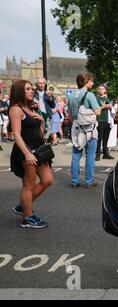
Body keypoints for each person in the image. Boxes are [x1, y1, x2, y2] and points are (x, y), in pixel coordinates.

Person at [8, 80, 53, 228]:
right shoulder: (16, 109)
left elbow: (40, 134)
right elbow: (16, 134)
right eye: (27, 89)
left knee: (47, 180)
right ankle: (28, 218)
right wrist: (27, 153)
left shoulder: (31, 108)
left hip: (39, 150)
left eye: (31, 88)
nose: (31, 91)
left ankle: (23, 205)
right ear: (19, 91)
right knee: (29, 185)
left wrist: (41, 122)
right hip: (26, 150)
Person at [68, 73, 102, 189]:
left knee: (76, 155)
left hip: (76, 127)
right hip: (89, 129)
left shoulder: (71, 95)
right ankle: (89, 181)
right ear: (86, 81)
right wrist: (103, 107)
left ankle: (74, 181)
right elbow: (97, 112)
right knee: (90, 156)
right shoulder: (89, 95)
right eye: (91, 81)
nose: (93, 83)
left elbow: (70, 115)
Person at [95, 84, 114, 161]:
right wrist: (105, 106)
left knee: (106, 138)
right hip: (100, 120)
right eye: (99, 89)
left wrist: (106, 106)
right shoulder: (95, 98)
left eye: (102, 89)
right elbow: (96, 108)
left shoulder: (108, 98)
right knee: (99, 138)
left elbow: (111, 107)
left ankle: (105, 154)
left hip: (108, 121)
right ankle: (98, 154)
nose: (100, 90)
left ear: (105, 90)